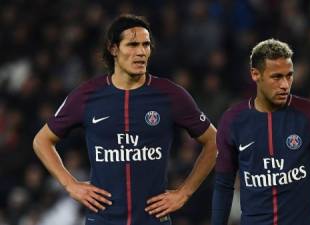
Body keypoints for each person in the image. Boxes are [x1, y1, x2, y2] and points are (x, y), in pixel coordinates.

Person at [33, 14, 217, 225]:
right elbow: (41, 140)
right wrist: (70, 185)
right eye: (132, 44)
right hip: (103, 220)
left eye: (146, 45)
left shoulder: (170, 95)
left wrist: (184, 193)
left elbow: (214, 141)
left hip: (153, 221)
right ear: (113, 49)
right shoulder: (87, 96)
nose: (141, 52)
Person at [212, 39, 310, 225]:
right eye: (276, 77)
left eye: (289, 76)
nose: (285, 84)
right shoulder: (233, 120)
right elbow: (223, 184)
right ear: (255, 75)